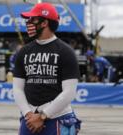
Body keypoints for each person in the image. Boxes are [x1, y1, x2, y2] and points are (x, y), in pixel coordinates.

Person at [13, 2, 81, 135]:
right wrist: (28, 114)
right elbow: (17, 88)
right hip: (29, 119)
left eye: (33, 19)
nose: (28, 22)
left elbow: (69, 92)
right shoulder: (24, 52)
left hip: (58, 118)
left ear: (44, 23)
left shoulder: (66, 52)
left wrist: (43, 116)